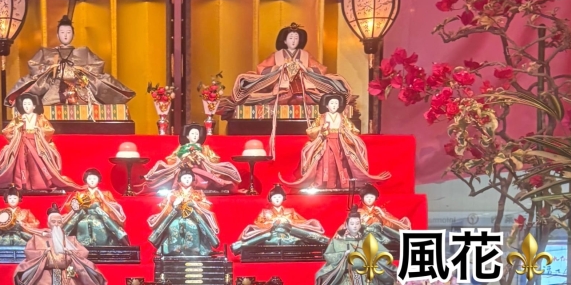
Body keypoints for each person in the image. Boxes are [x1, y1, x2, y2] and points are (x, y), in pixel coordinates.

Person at [218, 23, 352, 118]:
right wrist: (278, 68)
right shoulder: (276, 55)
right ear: (285, 41)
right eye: (291, 38)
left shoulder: (306, 55)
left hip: (304, 86)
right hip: (281, 86)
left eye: (296, 38)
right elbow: (261, 69)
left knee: (318, 95)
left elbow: (321, 69)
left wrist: (306, 69)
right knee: (266, 97)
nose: (293, 41)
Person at [5, 15, 135, 108]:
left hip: (79, 89)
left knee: (89, 107)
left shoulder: (83, 52)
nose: (65, 35)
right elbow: (34, 66)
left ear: (73, 34)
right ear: (57, 35)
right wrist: (50, 69)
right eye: (62, 32)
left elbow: (98, 66)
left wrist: (81, 70)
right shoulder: (46, 52)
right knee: (43, 107)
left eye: (68, 32)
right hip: (54, 88)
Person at [282, 93, 390, 191]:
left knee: (342, 162)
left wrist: (344, 131)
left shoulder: (343, 117)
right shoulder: (322, 117)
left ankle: (342, 183)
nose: (334, 105)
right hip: (326, 142)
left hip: (340, 143)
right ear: (327, 105)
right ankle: (321, 183)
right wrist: (321, 128)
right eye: (332, 103)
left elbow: (354, 130)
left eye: (336, 103)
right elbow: (310, 131)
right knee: (325, 162)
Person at [0, 93, 77, 193]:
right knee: (21, 162)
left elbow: (49, 130)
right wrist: (17, 129)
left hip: (36, 143)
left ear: (34, 106)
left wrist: (39, 130)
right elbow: (7, 131)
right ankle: (22, 184)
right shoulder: (18, 118)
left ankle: (39, 184)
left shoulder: (40, 118)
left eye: (28, 104)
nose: (26, 106)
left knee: (37, 163)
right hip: (22, 142)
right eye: (24, 104)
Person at [14, 204, 106, 285]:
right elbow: (30, 253)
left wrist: (71, 255)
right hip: (45, 277)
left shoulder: (71, 240)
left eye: (59, 222)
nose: (56, 224)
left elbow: (81, 255)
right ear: (48, 224)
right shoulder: (38, 239)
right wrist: (44, 254)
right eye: (53, 222)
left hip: (66, 275)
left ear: (62, 223)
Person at [315, 206, 395, 285]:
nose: (355, 226)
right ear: (346, 225)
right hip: (344, 279)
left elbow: (383, 255)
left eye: (357, 223)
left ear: (361, 225)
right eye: (352, 223)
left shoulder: (368, 241)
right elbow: (329, 256)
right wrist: (343, 255)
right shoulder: (337, 242)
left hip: (367, 279)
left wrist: (371, 257)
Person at [143, 124, 241, 193]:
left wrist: (203, 157)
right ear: (187, 136)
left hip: (201, 170)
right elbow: (171, 159)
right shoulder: (182, 147)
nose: (195, 136)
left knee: (208, 177)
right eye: (193, 134)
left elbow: (214, 159)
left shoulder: (205, 148)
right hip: (184, 169)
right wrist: (183, 158)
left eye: (197, 134)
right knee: (177, 174)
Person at [231, 184, 328, 252]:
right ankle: (241, 246)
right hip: (271, 235)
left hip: (289, 234)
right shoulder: (265, 212)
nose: (277, 199)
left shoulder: (290, 211)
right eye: (274, 197)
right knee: (263, 238)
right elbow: (258, 223)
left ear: (283, 198)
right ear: (270, 199)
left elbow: (302, 222)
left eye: (279, 197)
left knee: (300, 237)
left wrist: (289, 221)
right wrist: (272, 223)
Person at [147, 167, 220, 256]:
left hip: (193, 217)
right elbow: (162, 205)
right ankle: (173, 251)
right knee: (173, 225)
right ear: (179, 180)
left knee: (192, 226)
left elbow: (207, 205)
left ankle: (192, 251)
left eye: (189, 177)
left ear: (193, 179)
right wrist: (171, 202)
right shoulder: (173, 193)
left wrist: (195, 204)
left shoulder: (199, 193)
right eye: (184, 178)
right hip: (176, 217)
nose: (187, 180)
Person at [62, 168, 130, 247]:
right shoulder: (80, 194)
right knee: (82, 223)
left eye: (94, 178)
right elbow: (71, 205)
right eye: (89, 178)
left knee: (101, 224)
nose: (92, 181)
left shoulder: (105, 194)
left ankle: (113, 241)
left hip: (100, 216)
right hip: (83, 215)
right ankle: (69, 241)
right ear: (85, 180)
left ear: (98, 180)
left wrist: (103, 201)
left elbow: (112, 206)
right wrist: (77, 205)